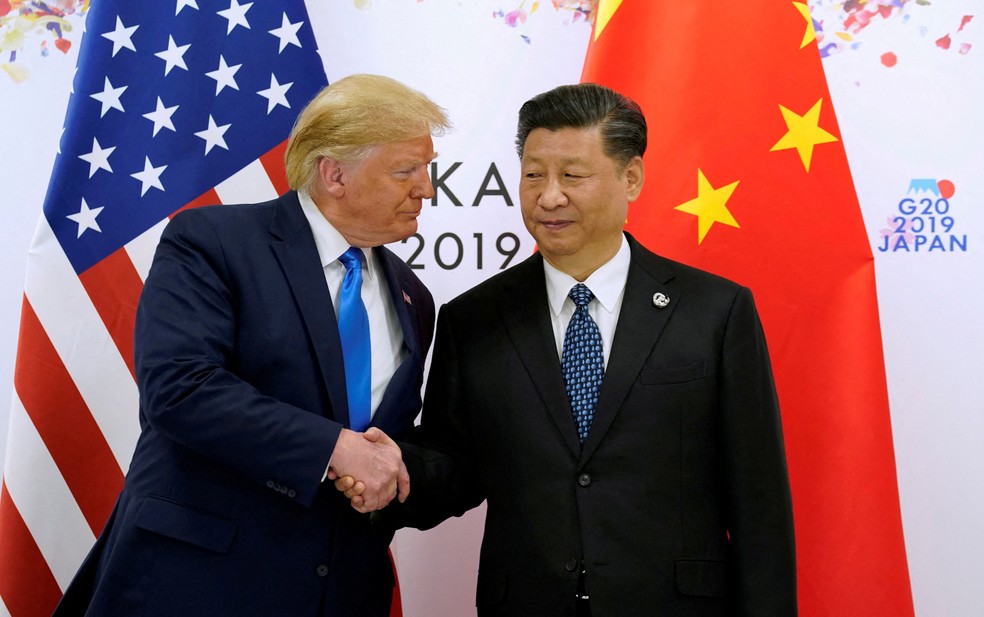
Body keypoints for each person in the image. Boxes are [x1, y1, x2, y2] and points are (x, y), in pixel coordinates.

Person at [340, 83, 796, 616]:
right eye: (534, 174)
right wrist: (392, 470)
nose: (549, 196)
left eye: (572, 176)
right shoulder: (475, 318)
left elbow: (758, 502)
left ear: (631, 178)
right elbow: (456, 466)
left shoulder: (714, 312)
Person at [52, 74, 450, 617]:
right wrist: (335, 448)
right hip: (197, 585)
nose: (426, 188)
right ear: (334, 174)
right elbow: (180, 388)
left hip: (337, 593)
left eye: (425, 170)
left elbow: (386, 442)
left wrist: (389, 468)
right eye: (406, 170)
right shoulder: (214, 243)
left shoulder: (413, 297)